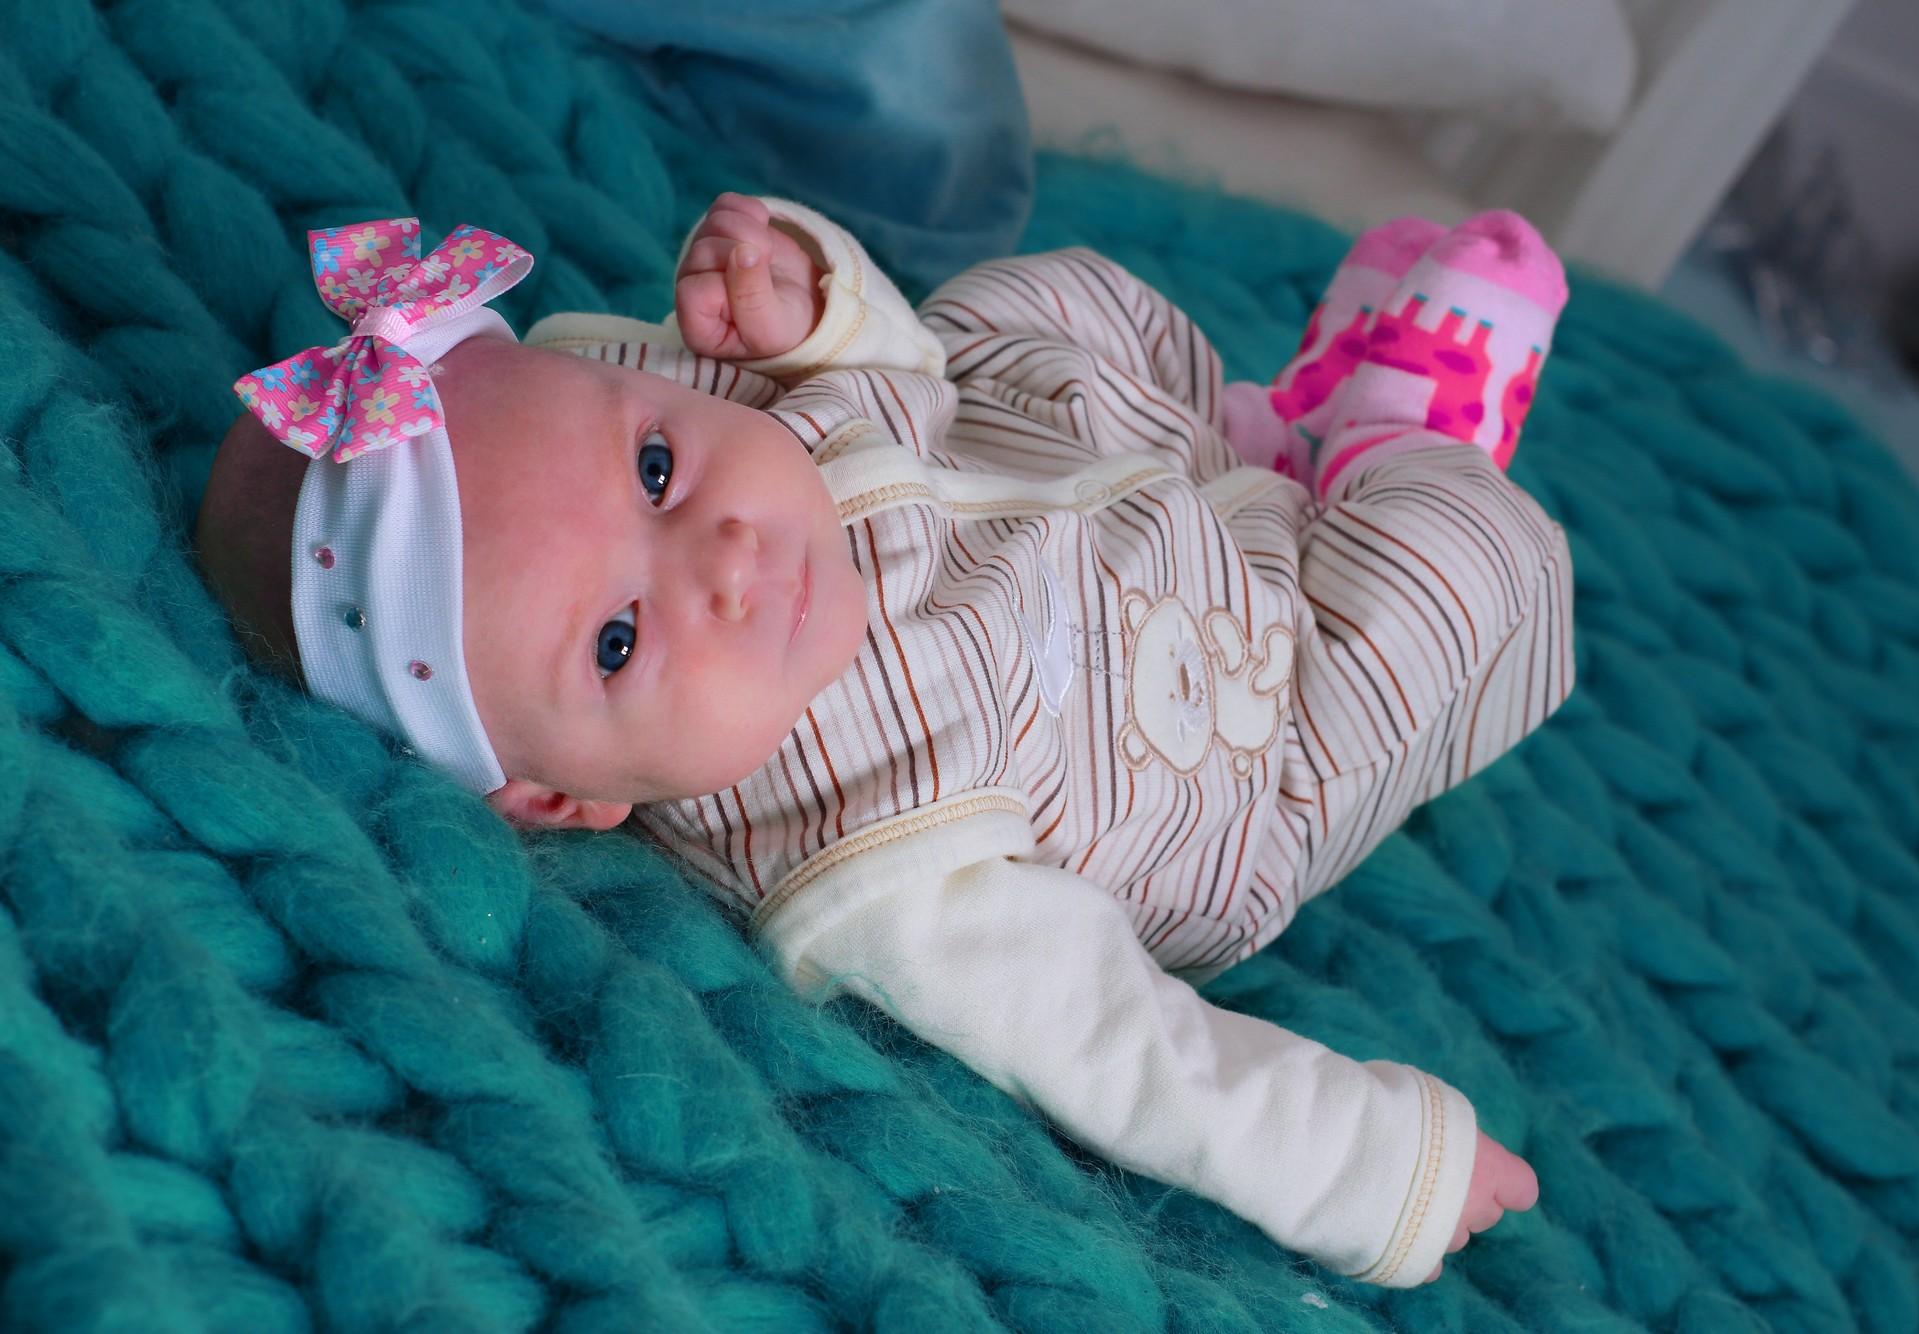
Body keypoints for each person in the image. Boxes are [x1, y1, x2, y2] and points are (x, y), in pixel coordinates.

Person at [197, 192, 1574, 1287]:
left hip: (1072, 478)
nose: (724, 559)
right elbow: (1121, 1049)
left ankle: (1269, 435)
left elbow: (879, 369)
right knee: (1466, 579)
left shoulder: (649, 439)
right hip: (1239, 716)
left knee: (1039, 303)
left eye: (658, 470)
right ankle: (1398, 438)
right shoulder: (868, 847)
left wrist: (804, 293)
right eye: (618, 641)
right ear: (565, 800)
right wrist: (1368, 1165)